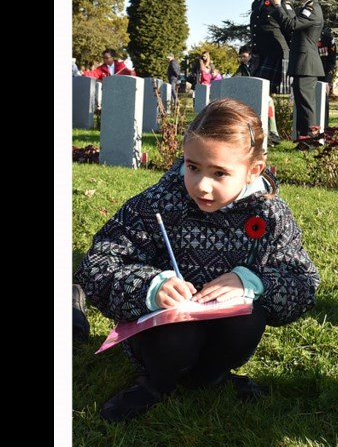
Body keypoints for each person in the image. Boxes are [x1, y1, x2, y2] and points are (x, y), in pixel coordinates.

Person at [74, 98, 320, 423]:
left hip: (227, 330)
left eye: (220, 173)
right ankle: (154, 385)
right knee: (179, 335)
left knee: (248, 317)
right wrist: (150, 287)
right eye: (193, 167)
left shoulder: (271, 215)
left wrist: (254, 283)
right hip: (161, 337)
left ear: (253, 170)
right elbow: (97, 265)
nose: (202, 185)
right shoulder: (159, 202)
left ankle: (213, 375)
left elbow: (303, 283)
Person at [280, 0, 327, 150]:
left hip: (307, 63)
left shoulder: (313, 9)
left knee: (306, 104)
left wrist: (281, 5)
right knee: (301, 103)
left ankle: (310, 141)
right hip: (302, 63)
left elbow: (292, 24)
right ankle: (303, 140)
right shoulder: (308, 8)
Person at [250, 0, 295, 93]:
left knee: (268, 93)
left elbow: (291, 27)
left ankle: (271, 113)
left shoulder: (283, 3)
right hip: (259, 53)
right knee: (257, 91)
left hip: (277, 53)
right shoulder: (256, 3)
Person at [236, 45, 282, 146]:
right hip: (250, 93)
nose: (242, 59)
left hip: (263, 92)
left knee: (269, 107)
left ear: (250, 55)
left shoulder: (258, 64)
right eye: (241, 57)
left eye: (244, 56)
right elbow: (236, 77)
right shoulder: (243, 67)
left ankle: (273, 133)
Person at [319, 28, 337, 128]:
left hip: (324, 72)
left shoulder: (327, 37)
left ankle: (324, 125)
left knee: (323, 99)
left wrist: (327, 79)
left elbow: (332, 59)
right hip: (310, 71)